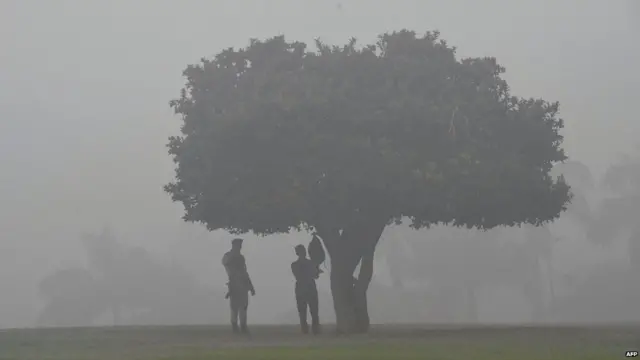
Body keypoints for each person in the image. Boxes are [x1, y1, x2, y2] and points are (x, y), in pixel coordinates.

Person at [222, 238, 255, 334]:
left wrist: (250, 286)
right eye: (238, 245)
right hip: (234, 283)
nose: (240, 247)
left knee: (243, 306)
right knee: (234, 307)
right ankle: (235, 326)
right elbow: (227, 265)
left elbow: (244, 272)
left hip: (242, 283)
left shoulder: (240, 257)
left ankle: (243, 326)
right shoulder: (228, 256)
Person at [291, 244, 321, 334]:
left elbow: (314, 275)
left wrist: (315, 271)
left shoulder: (296, 264)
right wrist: (315, 270)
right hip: (306, 287)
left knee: (310, 310)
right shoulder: (308, 263)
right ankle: (310, 329)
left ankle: (311, 329)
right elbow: (313, 275)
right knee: (306, 311)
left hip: (304, 288)